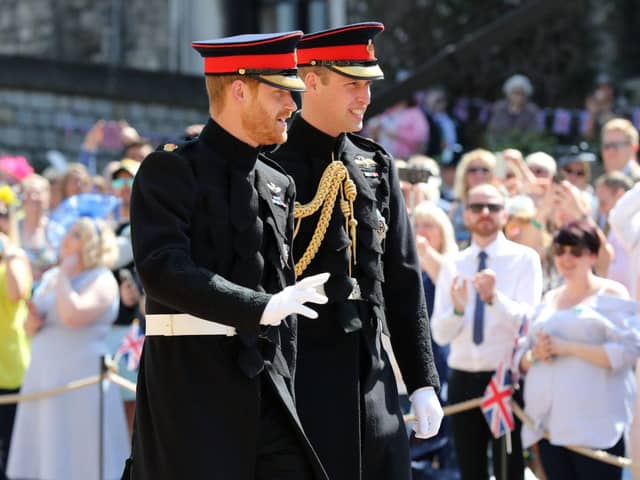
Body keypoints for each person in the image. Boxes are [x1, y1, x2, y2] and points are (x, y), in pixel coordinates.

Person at [124, 32, 330, 480]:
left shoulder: (277, 182)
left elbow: (281, 291)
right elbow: (163, 269)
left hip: (268, 389)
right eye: (280, 92)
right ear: (239, 89)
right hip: (193, 389)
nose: (292, 106)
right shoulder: (172, 169)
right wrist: (259, 307)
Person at [265, 22, 443, 480]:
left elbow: (403, 280)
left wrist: (421, 380)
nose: (364, 97)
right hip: (299, 371)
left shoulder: (376, 163)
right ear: (311, 81)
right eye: (352, 84)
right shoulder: (269, 164)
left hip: (371, 376)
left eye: (368, 84)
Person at [431, 183, 543, 480]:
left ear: (505, 215)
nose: (484, 213)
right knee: (470, 470)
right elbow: (439, 335)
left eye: (492, 207)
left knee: (509, 469)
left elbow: (529, 324)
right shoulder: (453, 263)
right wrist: (457, 310)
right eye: (476, 207)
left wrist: (494, 299)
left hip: (506, 379)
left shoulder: (524, 259)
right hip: (463, 377)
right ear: (465, 214)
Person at [517, 220, 640, 480]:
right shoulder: (549, 298)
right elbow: (523, 357)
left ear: (593, 255)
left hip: (596, 430)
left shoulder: (612, 292)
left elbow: (628, 352)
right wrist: (534, 355)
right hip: (551, 428)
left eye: (576, 251)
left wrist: (567, 347)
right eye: (560, 251)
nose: (567, 258)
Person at [7, 217, 128, 480]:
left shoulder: (102, 279)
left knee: (79, 448)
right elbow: (29, 327)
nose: (66, 239)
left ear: (92, 244)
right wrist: (33, 320)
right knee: (47, 446)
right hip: (45, 373)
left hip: (79, 375)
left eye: (75, 234)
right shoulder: (51, 277)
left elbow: (73, 315)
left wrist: (63, 275)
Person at [0, 185, 31, 480]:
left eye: (2, 215)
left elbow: (17, 291)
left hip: (9, 367)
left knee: (9, 456)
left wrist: (8, 252)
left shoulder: (17, 257)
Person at [600, 118, 640, 183]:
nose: (611, 151)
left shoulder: (638, 181)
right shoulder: (599, 180)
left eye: (616, 145)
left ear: (633, 148)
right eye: (607, 146)